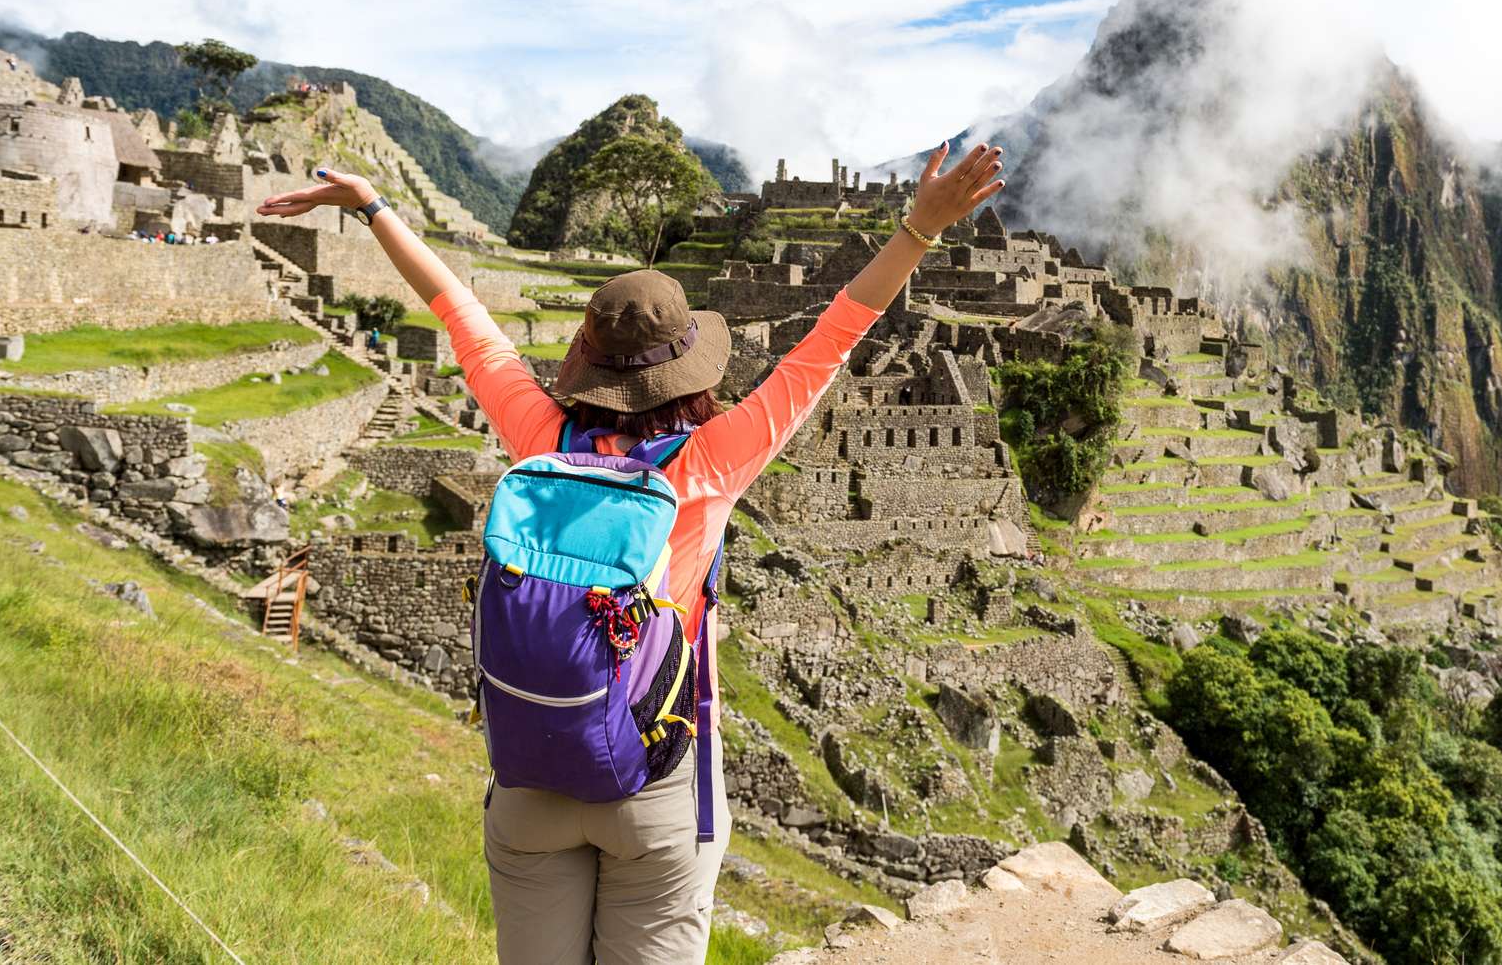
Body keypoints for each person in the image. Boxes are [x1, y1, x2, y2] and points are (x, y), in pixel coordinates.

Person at [256, 141, 1003, 965]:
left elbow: (457, 310)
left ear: (587, 362)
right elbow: (834, 337)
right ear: (690, 370)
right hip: (654, 777)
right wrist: (920, 231)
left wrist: (370, 206)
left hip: (530, 776)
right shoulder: (711, 462)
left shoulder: (539, 440)